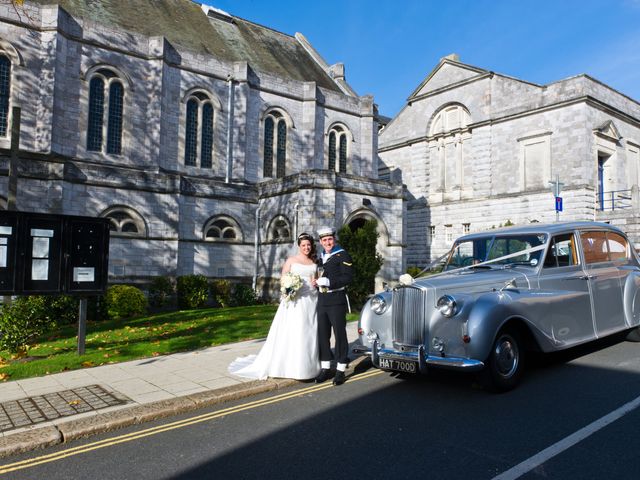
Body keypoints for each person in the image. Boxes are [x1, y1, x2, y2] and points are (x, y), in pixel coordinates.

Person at [228, 233, 321, 380]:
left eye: (308, 245)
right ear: (299, 246)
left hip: (311, 299)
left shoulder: (314, 261)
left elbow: (315, 279)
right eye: (303, 245)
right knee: (296, 330)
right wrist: (289, 288)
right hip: (295, 300)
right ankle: (292, 366)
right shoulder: (292, 260)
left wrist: (316, 282)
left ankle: (309, 366)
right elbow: (284, 278)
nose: (306, 247)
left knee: (310, 330)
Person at [312, 226, 353, 386]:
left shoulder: (343, 254)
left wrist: (330, 283)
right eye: (324, 240)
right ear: (321, 242)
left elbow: (348, 278)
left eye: (330, 239)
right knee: (323, 334)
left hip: (336, 300)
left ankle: (341, 369)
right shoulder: (320, 257)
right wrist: (316, 283)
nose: (328, 242)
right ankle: (326, 368)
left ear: (334, 240)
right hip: (322, 300)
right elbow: (319, 275)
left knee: (340, 335)